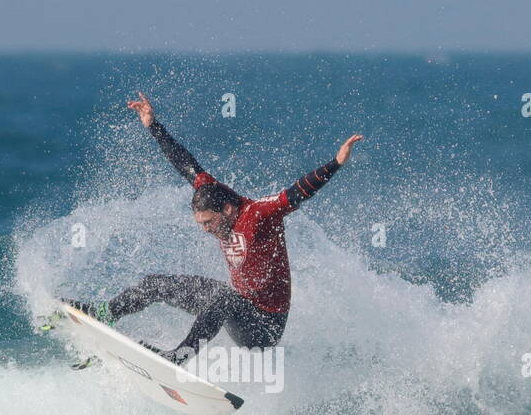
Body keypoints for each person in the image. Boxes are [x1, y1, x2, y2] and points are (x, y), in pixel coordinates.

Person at [71, 92, 362, 364]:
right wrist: (152, 124)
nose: (206, 229)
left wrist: (335, 164)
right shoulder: (210, 192)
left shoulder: (259, 214)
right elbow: (183, 161)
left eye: (209, 222)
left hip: (264, 327)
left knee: (222, 297)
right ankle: (105, 313)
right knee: (154, 283)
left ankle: (178, 357)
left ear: (227, 209)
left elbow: (297, 191)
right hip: (236, 306)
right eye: (201, 223)